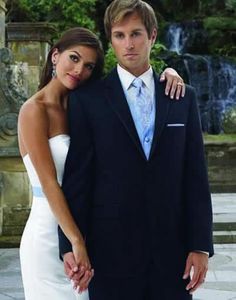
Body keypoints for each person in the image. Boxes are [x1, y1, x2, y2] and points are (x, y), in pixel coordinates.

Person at [59, 1, 214, 300]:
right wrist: (69, 246)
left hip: (173, 254)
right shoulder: (87, 101)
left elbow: (195, 176)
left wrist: (200, 245)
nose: (128, 44)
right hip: (109, 254)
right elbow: (78, 180)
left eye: (136, 34)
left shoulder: (182, 98)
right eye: (119, 35)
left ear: (153, 35)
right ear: (110, 40)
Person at [18, 26, 185, 299]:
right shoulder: (33, 111)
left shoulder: (84, 105)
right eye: (74, 58)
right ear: (54, 56)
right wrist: (75, 241)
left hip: (91, 235)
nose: (79, 70)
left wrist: (167, 75)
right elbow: (50, 184)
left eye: (88, 66)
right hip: (49, 236)